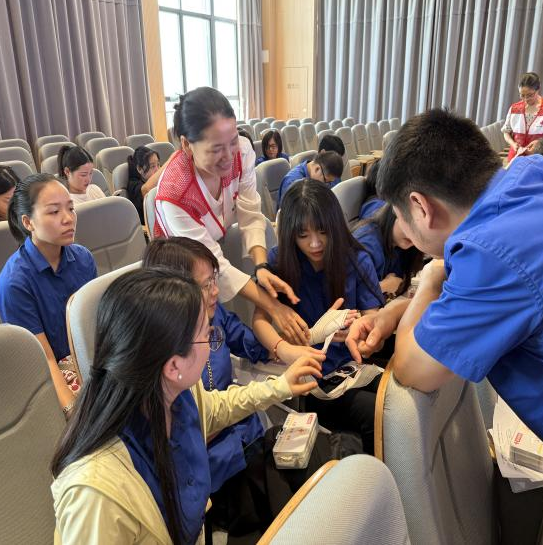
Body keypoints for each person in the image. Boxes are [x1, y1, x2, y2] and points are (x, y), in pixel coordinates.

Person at [345, 108, 543, 542]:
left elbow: (412, 366)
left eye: (401, 217)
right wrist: (400, 308)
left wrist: (431, 278)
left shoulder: (494, 251)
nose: (404, 232)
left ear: (420, 207)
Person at [50, 267, 323, 544]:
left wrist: (281, 385)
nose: (212, 344)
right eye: (207, 335)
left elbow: (215, 408)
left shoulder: (175, 392)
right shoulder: (95, 496)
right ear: (173, 366)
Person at [142, 237, 324, 537]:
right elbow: (197, 425)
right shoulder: (170, 364)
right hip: (218, 470)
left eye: (214, 280)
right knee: (295, 515)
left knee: (315, 479)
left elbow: (248, 342)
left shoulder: (216, 315)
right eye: (205, 285)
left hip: (250, 438)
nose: (215, 291)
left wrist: (295, 344)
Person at [153, 86, 310, 346]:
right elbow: (214, 261)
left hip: (213, 250)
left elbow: (249, 211)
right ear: (186, 144)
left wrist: (261, 266)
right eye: (216, 148)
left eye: (233, 141)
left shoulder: (243, 152)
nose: (229, 156)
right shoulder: (174, 194)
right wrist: (274, 307)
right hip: (182, 272)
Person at [253, 179, 384, 454]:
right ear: (290, 234)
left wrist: (360, 334)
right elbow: (259, 322)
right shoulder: (279, 263)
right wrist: (289, 347)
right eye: (303, 235)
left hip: (351, 369)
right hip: (310, 382)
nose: (314, 243)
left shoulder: (356, 260)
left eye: (323, 232)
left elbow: (374, 326)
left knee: (397, 399)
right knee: (380, 414)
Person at [0, 174, 97, 411]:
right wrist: (73, 413)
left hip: (90, 358)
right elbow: (44, 360)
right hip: (51, 375)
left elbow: (96, 325)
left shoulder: (83, 258)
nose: (68, 218)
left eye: (71, 208)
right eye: (54, 212)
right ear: (28, 222)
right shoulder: (14, 283)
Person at [352, 204, 424, 298]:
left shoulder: (401, 246)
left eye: (421, 231)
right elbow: (350, 294)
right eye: (410, 224)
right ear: (395, 212)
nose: (413, 234)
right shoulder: (366, 245)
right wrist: (385, 285)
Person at [502, 72, 543, 163]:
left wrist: (541, 143)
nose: (526, 99)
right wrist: (513, 144)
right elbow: (506, 132)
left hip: (539, 159)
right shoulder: (514, 108)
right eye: (522, 95)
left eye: (530, 95)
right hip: (516, 158)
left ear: (538, 90)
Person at [276, 151, 343, 210]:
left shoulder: (327, 176)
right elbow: (290, 216)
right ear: (317, 169)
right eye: (326, 181)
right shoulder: (292, 182)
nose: (327, 185)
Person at [126, 146, 160, 224]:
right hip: (147, 227)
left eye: (158, 164)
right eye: (152, 166)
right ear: (139, 169)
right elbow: (146, 190)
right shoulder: (133, 185)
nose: (157, 170)